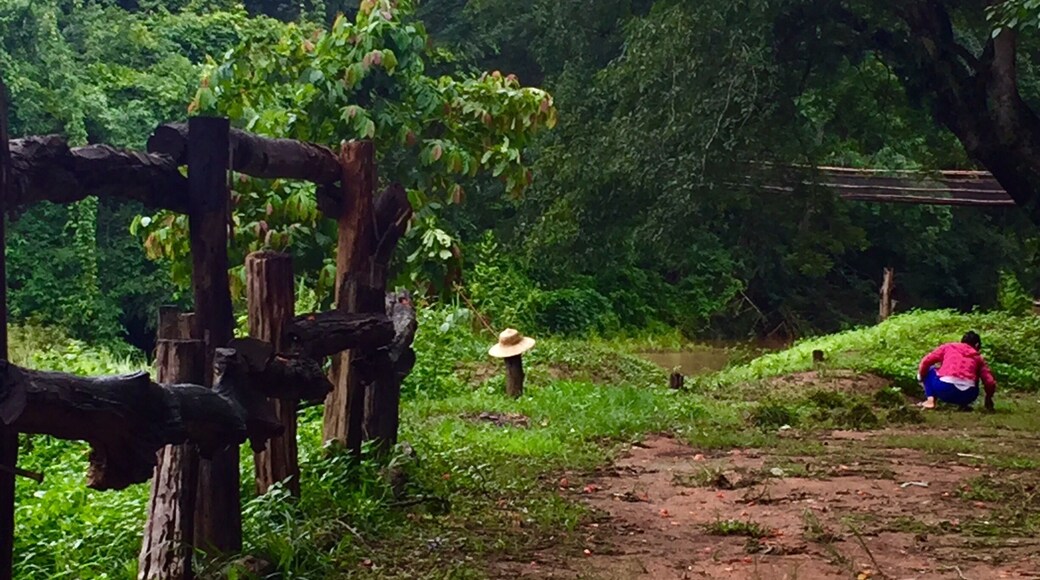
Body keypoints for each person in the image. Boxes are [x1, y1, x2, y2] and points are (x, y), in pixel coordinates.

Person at [917, 331, 996, 411]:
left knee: (930, 370)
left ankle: (930, 400)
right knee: (975, 374)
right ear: (977, 345)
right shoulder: (978, 358)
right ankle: (963, 405)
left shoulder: (948, 347)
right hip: (968, 395)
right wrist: (988, 397)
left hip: (944, 390)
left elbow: (926, 361)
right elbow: (990, 382)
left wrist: (921, 377)